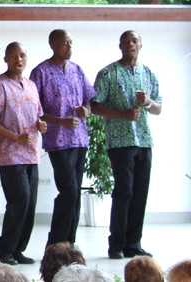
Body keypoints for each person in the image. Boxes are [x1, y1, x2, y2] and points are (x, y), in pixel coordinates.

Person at [91, 30, 162, 259]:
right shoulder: (108, 73)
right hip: (120, 142)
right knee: (124, 191)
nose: (130, 44)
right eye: (126, 41)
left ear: (141, 44)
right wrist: (122, 115)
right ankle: (116, 245)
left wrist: (148, 102)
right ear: (119, 45)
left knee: (140, 193)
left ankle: (134, 243)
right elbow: (94, 105)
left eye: (134, 41)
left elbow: (159, 107)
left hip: (144, 141)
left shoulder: (148, 73)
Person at [29, 29, 96, 248]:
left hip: (80, 138)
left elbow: (89, 99)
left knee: (76, 190)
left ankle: (70, 242)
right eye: (65, 43)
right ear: (53, 45)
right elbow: (35, 109)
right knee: (68, 189)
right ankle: (56, 243)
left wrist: (85, 110)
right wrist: (61, 121)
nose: (69, 47)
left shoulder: (77, 70)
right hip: (57, 140)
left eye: (71, 43)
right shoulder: (40, 72)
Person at [0, 42, 47, 266]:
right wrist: (16, 137)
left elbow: (38, 115)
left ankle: (18, 248)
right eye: (13, 56)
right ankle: (4, 249)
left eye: (22, 55)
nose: (18, 60)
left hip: (31, 153)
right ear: (5, 59)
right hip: (9, 153)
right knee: (20, 199)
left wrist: (41, 125)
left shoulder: (30, 85)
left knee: (30, 203)